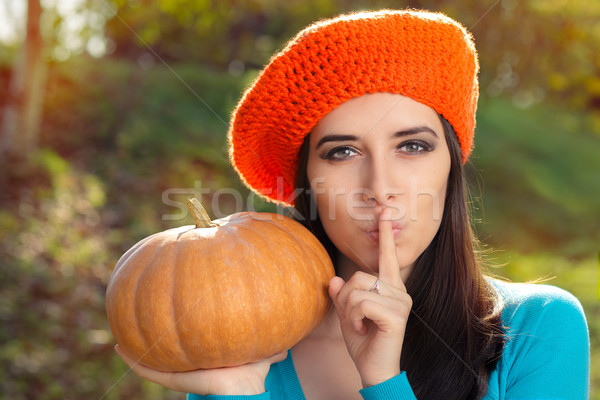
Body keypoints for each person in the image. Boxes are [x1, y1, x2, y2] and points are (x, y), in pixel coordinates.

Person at [115, 9, 590, 399]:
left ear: (452, 163)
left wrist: (385, 382)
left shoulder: (539, 329)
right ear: (308, 184)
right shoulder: (241, 346)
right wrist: (238, 391)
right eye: (342, 152)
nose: (380, 187)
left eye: (412, 146)